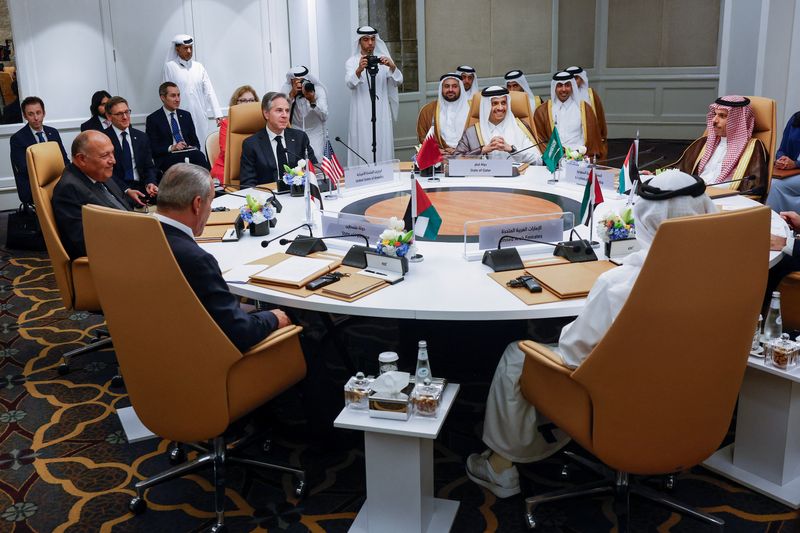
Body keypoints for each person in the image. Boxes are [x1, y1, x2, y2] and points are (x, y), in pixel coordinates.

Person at [465, 170, 717, 498]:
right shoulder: (722, 270)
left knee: (518, 355)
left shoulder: (619, 285)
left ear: (645, 217)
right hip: (693, 391)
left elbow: (573, 352)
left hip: (621, 396)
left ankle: (500, 467)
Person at [155, 163, 289, 352]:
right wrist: (273, 317)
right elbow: (240, 332)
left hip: (155, 343)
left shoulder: (138, 236)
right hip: (205, 358)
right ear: (197, 204)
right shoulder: (196, 259)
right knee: (295, 317)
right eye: (211, 201)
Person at [670, 96, 768, 202]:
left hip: (726, 202)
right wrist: (653, 174)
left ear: (736, 121)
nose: (714, 120)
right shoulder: (703, 143)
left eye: (722, 116)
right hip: (694, 196)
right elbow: (678, 169)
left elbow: (755, 189)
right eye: (715, 114)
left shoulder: (753, 148)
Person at [52, 131, 131, 260]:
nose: (113, 161)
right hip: (116, 257)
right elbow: (83, 243)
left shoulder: (98, 172)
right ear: (81, 159)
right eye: (105, 155)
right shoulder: (69, 189)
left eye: (112, 153)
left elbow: (123, 208)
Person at [345, 26, 403, 166]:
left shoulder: (383, 60)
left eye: (372, 39)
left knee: (382, 144)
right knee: (363, 143)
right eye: (366, 39)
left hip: (381, 112)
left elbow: (398, 81)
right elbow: (350, 84)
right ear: (359, 42)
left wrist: (392, 67)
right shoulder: (352, 62)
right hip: (361, 113)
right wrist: (359, 70)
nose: (370, 43)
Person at [239, 91, 319, 189]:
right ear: (266, 114)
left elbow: (314, 171)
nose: (285, 115)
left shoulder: (300, 138)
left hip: (298, 194)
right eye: (279, 110)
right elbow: (247, 185)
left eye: (287, 110)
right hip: (269, 197)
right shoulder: (251, 144)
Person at [454, 86, 542, 164]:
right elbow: (455, 160)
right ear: (486, 106)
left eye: (503, 103)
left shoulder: (520, 127)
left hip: (516, 180)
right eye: (495, 103)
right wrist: (483, 150)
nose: (500, 108)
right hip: (482, 180)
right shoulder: (472, 132)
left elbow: (538, 160)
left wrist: (512, 149)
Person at [162, 33, 222, 147]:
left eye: (191, 48)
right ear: (177, 49)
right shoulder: (170, 67)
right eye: (185, 48)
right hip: (179, 116)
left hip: (199, 115)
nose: (189, 51)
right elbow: (166, 92)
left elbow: (209, 91)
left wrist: (218, 115)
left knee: (202, 145)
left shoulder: (199, 67)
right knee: (185, 147)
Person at [10, 96, 69, 205]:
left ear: (44, 113)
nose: (36, 118)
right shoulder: (17, 138)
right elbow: (25, 169)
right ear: (25, 116)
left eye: (38, 112)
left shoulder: (53, 132)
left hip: (56, 181)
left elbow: (64, 160)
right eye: (31, 114)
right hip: (34, 185)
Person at [533, 71, 603, 158]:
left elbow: (593, 138)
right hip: (554, 158)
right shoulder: (543, 111)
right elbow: (541, 139)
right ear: (554, 87)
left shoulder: (584, 109)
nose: (563, 89)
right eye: (559, 85)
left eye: (567, 85)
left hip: (579, 157)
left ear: (572, 87)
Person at [103, 96, 158, 206]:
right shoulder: (104, 139)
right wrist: (126, 190)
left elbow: (149, 167)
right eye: (119, 114)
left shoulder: (141, 137)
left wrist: (150, 183)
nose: (125, 117)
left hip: (142, 187)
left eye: (127, 112)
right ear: (109, 117)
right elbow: (106, 173)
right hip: (119, 190)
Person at [145, 81, 209, 173]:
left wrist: (192, 146)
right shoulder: (153, 119)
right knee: (182, 163)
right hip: (168, 156)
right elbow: (152, 148)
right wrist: (172, 147)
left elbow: (196, 142)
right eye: (173, 96)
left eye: (178, 95)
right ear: (163, 97)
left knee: (199, 156)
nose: (177, 99)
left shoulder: (186, 115)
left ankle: (210, 184)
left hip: (188, 152)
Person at [210, 85, 259, 182]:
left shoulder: (260, 122)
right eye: (244, 100)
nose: (248, 104)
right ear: (235, 103)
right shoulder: (226, 123)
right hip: (228, 170)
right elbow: (226, 152)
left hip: (255, 168)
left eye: (251, 100)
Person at [280, 66, 329, 159]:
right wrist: (291, 96)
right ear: (291, 82)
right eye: (297, 81)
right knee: (296, 161)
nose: (300, 84)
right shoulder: (286, 91)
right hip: (295, 131)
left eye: (303, 81)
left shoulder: (318, 90)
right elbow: (281, 112)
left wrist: (312, 101)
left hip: (315, 132)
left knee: (316, 159)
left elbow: (324, 116)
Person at [416, 73, 470, 154]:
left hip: (466, 157)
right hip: (439, 158)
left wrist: (459, 151)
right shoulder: (428, 110)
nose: (450, 90)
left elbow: (478, 137)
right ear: (441, 88)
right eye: (447, 86)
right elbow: (423, 137)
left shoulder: (471, 109)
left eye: (455, 86)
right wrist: (434, 150)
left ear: (461, 88)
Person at [565, 66, 607, 159]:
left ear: (582, 79)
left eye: (576, 78)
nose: (573, 82)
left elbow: (599, 116)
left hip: (590, 135)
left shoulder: (590, 94)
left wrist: (601, 135)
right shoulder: (564, 96)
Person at [766, 112, 800, 213]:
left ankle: (773, 224)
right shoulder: (796, 118)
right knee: (761, 179)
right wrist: (781, 159)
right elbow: (781, 149)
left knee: (775, 185)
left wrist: (795, 164)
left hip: (795, 170)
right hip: (790, 172)